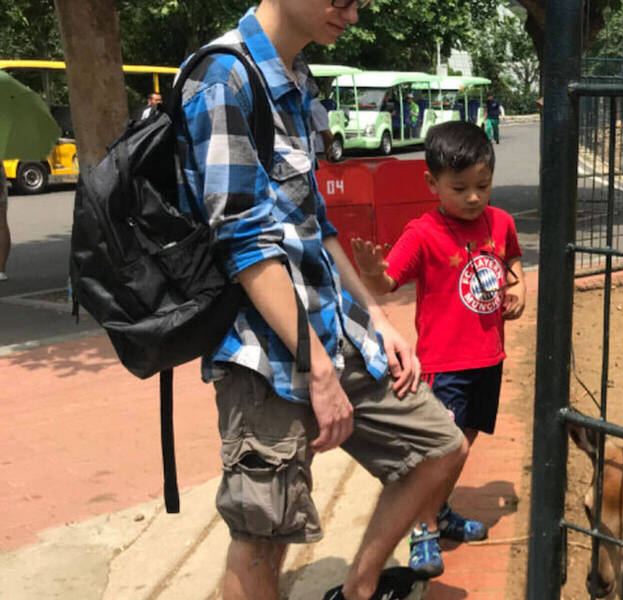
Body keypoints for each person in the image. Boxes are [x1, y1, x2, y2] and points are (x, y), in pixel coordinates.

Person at [174, 2, 470, 599]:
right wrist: (317, 370)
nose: (352, 14)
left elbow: (315, 223)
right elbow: (243, 245)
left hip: (333, 330)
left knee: (440, 445)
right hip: (262, 353)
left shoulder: (299, 76)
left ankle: (357, 589)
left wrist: (378, 318)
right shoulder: (223, 79)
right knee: (263, 536)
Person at [351, 120, 525, 547]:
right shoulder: (423, 232)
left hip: (488, 359)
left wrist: (518, 288)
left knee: (462, 444)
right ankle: (422, 527)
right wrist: (373, 273)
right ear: (432, 182)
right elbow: (386, 282)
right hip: (444, 366)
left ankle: (439, 513)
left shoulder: (499, 222)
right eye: (459, 187)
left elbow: (513, 261)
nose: (473, 198)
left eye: (482, 186)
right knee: (443, 452)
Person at [310, 90, 334, 163]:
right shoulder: (313, 106)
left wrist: (327, 149)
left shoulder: (315, 107)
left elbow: (326, 133)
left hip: (317, 152)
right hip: (315, 151)